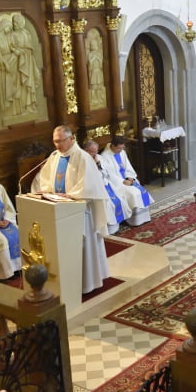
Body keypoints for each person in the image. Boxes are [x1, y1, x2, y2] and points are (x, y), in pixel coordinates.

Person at [34, 125, 111, 294]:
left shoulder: (82, 157)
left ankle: (87, 283)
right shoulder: (54, 157)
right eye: (55, 141)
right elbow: (45, 181)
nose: (58, 145)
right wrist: (49, 192)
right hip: (59, 209)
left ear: (71, 139)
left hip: (80, 211)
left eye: (61, 141)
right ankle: (68, 281)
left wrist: (69, 195)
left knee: (84, 247)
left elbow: (89, 186)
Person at [100, 135, 153, 226]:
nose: (120, 150)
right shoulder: (104, 156)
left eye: (122, 148)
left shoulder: (122, 152)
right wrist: (123, 181)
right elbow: (109, 175)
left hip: (126, 179)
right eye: (118, 148)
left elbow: (127, 166)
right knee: (133, 193)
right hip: (117, 183)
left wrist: (129, 176)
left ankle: (143, 218)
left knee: (141, 191)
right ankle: (133, 220)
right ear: (112, 146)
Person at [84, 139, 127, 233]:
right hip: (95, 189)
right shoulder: (83, 160)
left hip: (105, 185)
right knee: (108, 205)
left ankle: (115, 227)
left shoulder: (99, 157)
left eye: (96, 151)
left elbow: (106, 173)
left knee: (118, 200)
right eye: (92, 152)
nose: (95, 154)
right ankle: (107, 229)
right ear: (86, 150)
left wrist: (98, 163)